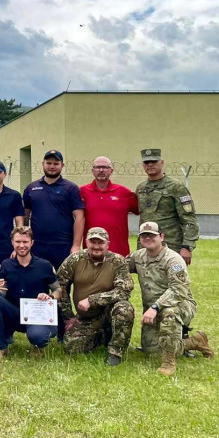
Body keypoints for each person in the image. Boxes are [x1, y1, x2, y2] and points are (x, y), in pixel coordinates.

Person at [127, 222, 213, 375]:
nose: (147, 238)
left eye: (152, 235)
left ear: (161, 237)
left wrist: (155, 307)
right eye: (144, 235)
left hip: (181, 303)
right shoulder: (138, 257)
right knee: (151, 350)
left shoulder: (173, 259)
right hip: (153, 311)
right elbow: (119, 266)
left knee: (169, 314)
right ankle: (195, 342)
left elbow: (178, 289)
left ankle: (168, 363)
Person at [57, 227, 134, 366]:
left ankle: (116, 351)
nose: (96, 246)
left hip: (109, 312)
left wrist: (92, 300)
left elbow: (124, 291)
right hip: (87, 317)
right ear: (86, 242)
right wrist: (68, 316)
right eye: (93, 242)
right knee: (71, 346)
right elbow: (60, 285)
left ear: (108, 244)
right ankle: (103, 335)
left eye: (101, 243)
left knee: (124, 308)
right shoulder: (75, 259)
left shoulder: (118, 261)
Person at [0, 226, 61, 360]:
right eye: (18, 242)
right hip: (15, 314)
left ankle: (38, 346)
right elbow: (2, 293)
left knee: (38, 337)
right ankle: (1, 348)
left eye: (25, 242)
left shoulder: (44, 265)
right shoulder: (6, 265)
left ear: (32, 243)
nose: (21, 245)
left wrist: (51, 297)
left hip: (37, 315)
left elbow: (58, 290)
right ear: (12, 242)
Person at [22, 150, 85, 268]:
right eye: (49, 163)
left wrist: (76, 245)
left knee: (63, 284)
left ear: (62, 165)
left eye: (56, 164)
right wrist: (25, 241)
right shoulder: (31, 188)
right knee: (38, 284)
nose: (52, 166)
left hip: (63, 245)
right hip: (38, 245)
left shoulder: (71, 188)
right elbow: (25, 217)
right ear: (43, 164)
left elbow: (80, 217)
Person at [136, 149, 199, 265]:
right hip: (146, 246)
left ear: (162, 162)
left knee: (174, 281)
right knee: (147, 281)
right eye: (146, 162)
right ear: (143, 165)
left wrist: (187, 246)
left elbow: (189, 219)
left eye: (154, 161)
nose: (150, 165)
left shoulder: (176, 187)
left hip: (170, 246)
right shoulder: (140, 188)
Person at [80, 156, 138, 256]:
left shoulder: (124, 193)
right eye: (98, 167)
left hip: (119, 252)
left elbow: (142, 211)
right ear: (92, 171)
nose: (101, 170)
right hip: (92, 251)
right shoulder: (82, 192)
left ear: (111, 171)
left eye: (105, 167)